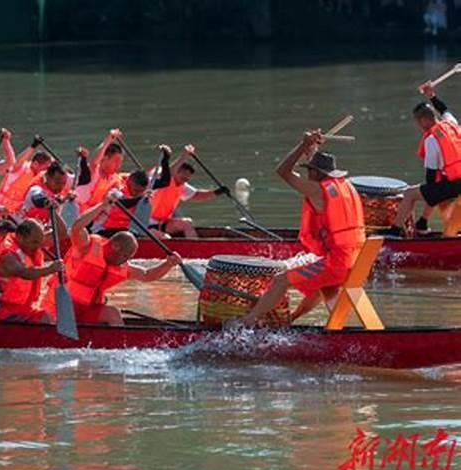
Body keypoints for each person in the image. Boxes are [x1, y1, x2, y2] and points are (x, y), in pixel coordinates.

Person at [239, 130, 365, 326]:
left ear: (315, 173)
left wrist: (302, 144)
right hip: (354, 263)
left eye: (309, 171)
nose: (307, 175)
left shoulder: (316, 190)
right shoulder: (344, 186)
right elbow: (314, 170)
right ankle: (291, 320)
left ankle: (247, 321)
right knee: (317, 283)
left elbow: (283, 171)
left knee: (282, 278)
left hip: (336, 266)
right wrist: (311, 147)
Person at [52, 196, 181, 325]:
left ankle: (119, 342)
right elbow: (77, 228)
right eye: (125, 256)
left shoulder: (122, 267)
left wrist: (168, 264)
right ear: (115, 246)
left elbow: (147, 275)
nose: (126, 261)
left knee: (112, 313)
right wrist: (102, 205)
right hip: (62, 307)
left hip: (87, 310)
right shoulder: (86, 246)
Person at [384, 90, 461, 237]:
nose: (418, 126)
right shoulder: (451, 123)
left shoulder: (432, 140)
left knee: (410, 194)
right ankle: (424, 225)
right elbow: (444, 109)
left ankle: (395, 231)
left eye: (417, 122)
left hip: (456, 185)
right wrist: (432, 96)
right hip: (456, 181)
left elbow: (431, 180)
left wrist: (432, 196)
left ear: (423, 121)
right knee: (434, 189)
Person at [0, 217, 63, 323]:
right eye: (35, 242)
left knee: (46, 317)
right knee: (43, 320)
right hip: (3, 312)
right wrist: (50, 269)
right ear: (20, 237)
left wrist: (53, 210)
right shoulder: (7, 256)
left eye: (39, 242)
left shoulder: (30, 244)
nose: (38, 247)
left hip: (21, 309)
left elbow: (61, 233)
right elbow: (24, 272)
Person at [149, 144, 228, 238]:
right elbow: (168, 173)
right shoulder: (159, 178)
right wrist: (184, 156)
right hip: (145, 223)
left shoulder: (181, 185)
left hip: (163, 223)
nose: (185, 180)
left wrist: (217, 192)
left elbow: (197, 195)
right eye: (183, 176)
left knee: (187, 223)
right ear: (177, 171)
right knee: (166, 238)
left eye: (187, 178)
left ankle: (196, 247)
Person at [0, 135, 52, 212]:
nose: (46, 170)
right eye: (45, 167)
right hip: (1, 206)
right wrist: (33, 146)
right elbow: (19, 160)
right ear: (35, 164)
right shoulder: (21, 168)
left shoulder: (39, 173)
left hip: (16, 209)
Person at [78, 129, 125, 211]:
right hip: (80, 215)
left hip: (96, 217)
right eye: (116, 161)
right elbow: (94, 162)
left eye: (120, 162)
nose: (118, 165)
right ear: (105, 158)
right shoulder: (94, 171)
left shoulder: (115, 178)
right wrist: (108, 139)